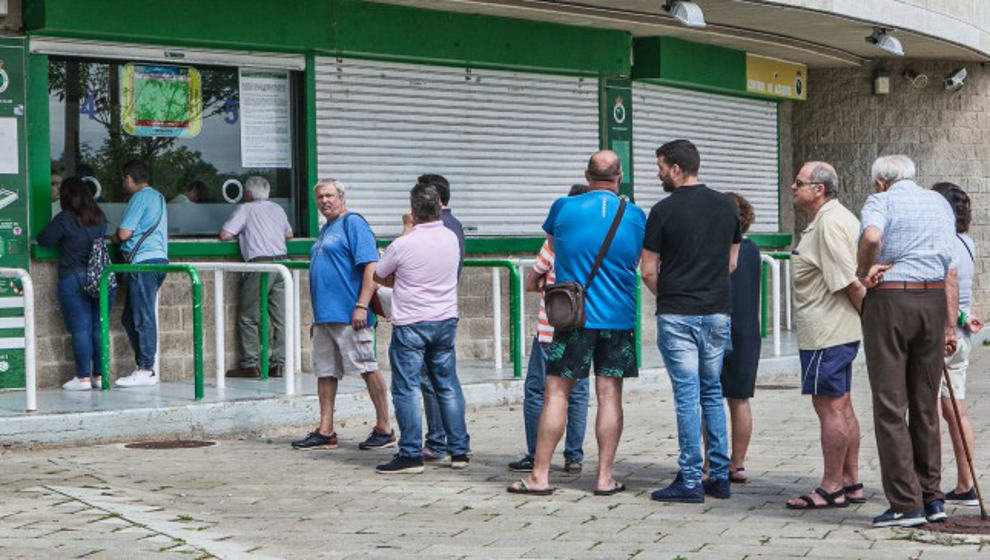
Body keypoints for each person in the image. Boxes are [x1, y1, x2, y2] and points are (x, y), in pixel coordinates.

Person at [508, 150, 646, 495]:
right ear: (620, 176)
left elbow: (554, 247)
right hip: (618, 317)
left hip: (573, 317)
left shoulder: (563, 208)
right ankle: (603, 478)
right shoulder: (635, 215)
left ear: (587, 176)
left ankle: (539, 475)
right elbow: (638, 259)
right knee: (609, 395)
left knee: (556, 393)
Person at [857, 155, 957, 527]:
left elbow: (871, 236)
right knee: (925, 402)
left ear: (880, 182)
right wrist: (950, 323)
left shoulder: (881, 201)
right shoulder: (939, 202)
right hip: (931, 300)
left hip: (892, 299)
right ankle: (933, 498)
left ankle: (905, 503)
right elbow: (949, 267)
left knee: (890, 404)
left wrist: (863, 269)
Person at [641, 139, 739, 503]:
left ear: (677, 169)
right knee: (712, 392)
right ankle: (720, 476)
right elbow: (732, 263)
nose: (659, 173)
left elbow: (648, 270)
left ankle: (690, 479)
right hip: (717, 312)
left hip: (678, 313)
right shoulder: (727, 207)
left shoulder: (662, 211)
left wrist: (668, 295)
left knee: (686, 395)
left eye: (661, 167)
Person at [784, 162, 866, 510]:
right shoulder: (839, 217)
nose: (792, 187)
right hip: (838, 330)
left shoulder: (829, 225)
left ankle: (831, 485)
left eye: (799, 183)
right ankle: (850, 481)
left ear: (819, 189)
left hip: (826, 332)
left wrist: (875, 320)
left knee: (830, 408)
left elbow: (849, 280)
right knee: (843, 405)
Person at [373, 182, 470, 474]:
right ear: (440, 207)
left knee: (406, 388)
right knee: (447, 385)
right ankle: (459, 451)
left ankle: (410, 453)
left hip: (411, 322)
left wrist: (405, 232)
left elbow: (379, 274)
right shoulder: (452, 238)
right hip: (444, 321)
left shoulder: (404, 243)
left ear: (413, 211)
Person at [291, 179, 394, 450]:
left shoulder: (353, 223)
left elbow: (372, 267)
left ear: (341, 197)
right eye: (320, 197)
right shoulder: (326, 230)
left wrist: (362, 304)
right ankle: (326, 430)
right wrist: (316, 318)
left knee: (366, 367)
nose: (325, 201)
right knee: (325, 373)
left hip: (351, 314)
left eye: (330, 196)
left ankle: (385, 427)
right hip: (325, 317)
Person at [508, 183, 591, 475]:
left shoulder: (554, 243)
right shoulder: (595, 243)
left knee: (537, 390)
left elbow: (531, 283)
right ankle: (574, 457)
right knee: (578, 392)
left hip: (550, 328)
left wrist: (548, 285)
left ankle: (535, 453)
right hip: (586, 327)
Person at [932, 182, 983, 507]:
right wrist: (963, 319)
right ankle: (967, 483)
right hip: (961, 335)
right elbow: (960, 291)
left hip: (939, 334)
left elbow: (943, 285)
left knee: (928, 412)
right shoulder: (967, 243)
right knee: (957, 411)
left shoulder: (939, 243)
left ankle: (928, 485)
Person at [38, 177, 111, 391]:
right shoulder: (99, 217)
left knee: (80, 330)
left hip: (73, 277)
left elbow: (44, 239)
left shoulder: (65, 219)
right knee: (99, 329)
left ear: (66, 197)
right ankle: (99, 375)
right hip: (100, 277)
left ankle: (82, 378)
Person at [220, 176, 293, 378]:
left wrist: (245, 234)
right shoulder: (278, 209)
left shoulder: (246, 208)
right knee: (281, 318)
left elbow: (225, 234)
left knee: (248, 317)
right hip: (282, 265)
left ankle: (250, 364)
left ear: (248, 193)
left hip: (261, 265)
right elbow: (289, 235)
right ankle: (278, 364)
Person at [416, 173, 465, 462]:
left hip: (427, 315)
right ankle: (454, 443)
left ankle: (437, 440)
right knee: (444, 381)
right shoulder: (454, 225)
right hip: (445, 312)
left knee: (433, 382)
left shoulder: (437, 227)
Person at [717, 192, 761, 485]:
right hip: (747, 329)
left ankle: (711, 461)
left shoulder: (716, 249)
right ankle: (738, 463)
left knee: (710, 396)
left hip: (716, 324)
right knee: (740, 399)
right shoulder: (753, 249)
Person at [114, 159, 169, 388]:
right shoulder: (158, 197)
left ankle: (146, 368)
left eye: (123, 179)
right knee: (129, 317)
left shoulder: (139, 198)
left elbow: (125, 233)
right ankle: (144, 365)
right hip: (158, 261)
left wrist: (114, 238)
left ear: (128, 178)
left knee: (142, 316)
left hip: (142, 263)